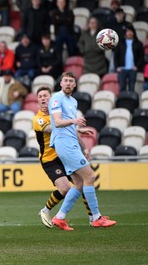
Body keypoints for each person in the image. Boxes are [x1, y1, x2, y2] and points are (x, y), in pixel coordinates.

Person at [48, 71, 117, 230]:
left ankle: (59, 218)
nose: (67, 83)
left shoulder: (73, 101)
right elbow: (57, 123)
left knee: (79, 183)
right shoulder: (56, 98)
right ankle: (96, 217)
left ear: (74, 85)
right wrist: (74, 121)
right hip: (64, 143)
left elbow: (67, 124)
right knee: (90, 176)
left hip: (70, 141)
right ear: (61, 83)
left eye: (71, 81)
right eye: (65, 80)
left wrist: (78, 131)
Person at [34, 86, 92, 228]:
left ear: (51, 98)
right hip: (49, 160)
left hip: (63, 155)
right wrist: (72, 124)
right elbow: (51, 128)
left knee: (84, 182)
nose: (43, 98)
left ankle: (93, 217)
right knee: (65, 189)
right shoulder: (38, 119)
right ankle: (45, 210)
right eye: (40, 96)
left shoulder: (58, 114)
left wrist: (83, 147)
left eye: (45, 96)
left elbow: (66, 128)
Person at [114, 25, 144, 92]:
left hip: (132, 69)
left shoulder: (138, 44)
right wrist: (117, 67)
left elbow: (141, 57)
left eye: (131, 31)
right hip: (122, 69)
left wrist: (137, 66)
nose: (129, 33)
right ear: (125, 33)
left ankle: (131, 102)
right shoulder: (120, 44)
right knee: (122, 88)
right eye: (128, 31)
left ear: (133, 33)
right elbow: (116, 56)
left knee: (132, 88)